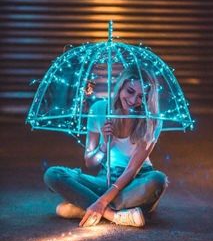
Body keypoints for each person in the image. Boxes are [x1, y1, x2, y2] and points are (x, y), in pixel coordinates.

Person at [44, 66, 168, 228]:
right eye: (130, 91)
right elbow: (90, 162)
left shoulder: (153, 119)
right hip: (106, 177)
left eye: (141, 97)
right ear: (121, 86)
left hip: (137, 179)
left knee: (158, 180)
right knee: (53, 174)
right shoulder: (99, 110)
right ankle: (114, 215)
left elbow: (132, 170)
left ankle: (85, 207)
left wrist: (101, 201)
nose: (133, 101)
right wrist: (105, 145)